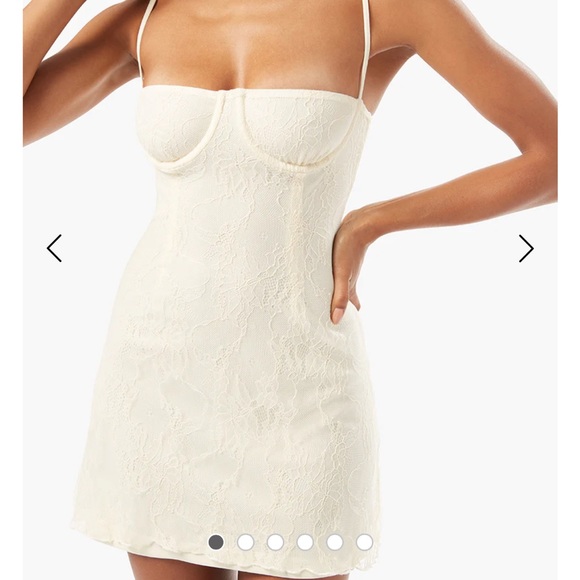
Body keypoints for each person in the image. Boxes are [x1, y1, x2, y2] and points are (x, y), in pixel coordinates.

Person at [23, 1, 557, 580]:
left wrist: (373, 221)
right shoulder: (146, 15)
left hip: (302, 386)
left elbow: (556, 156)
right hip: (159, 373)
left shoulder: (383, 10)